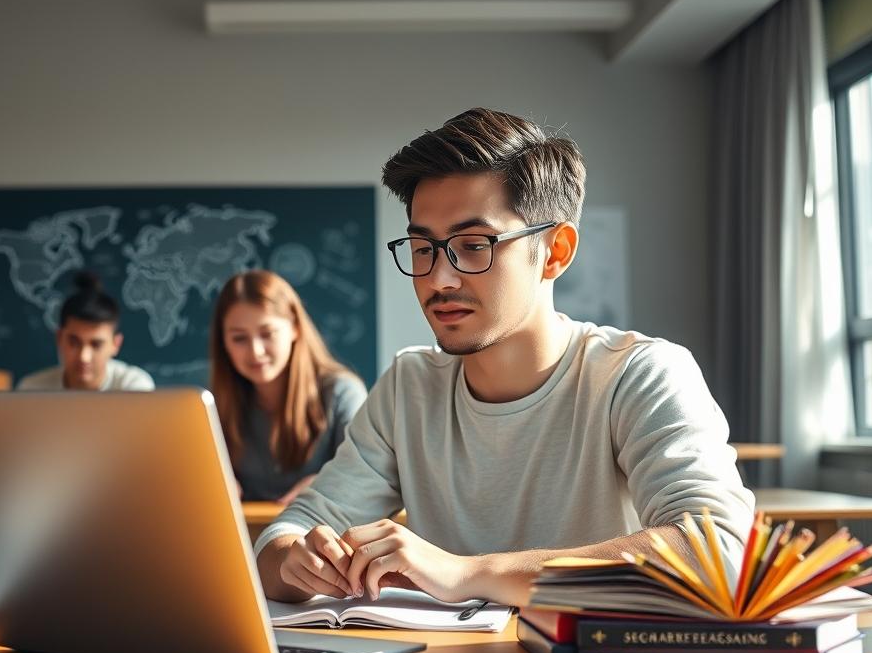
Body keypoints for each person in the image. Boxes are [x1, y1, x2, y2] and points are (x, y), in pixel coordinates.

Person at [255, 108, 754, 607]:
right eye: (422, 247)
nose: (438, 279)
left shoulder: (638, 374)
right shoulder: (409, 387)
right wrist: (297, 560)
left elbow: (719, 553)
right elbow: (281, 542)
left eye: (474, 246)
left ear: (555, 251)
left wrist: (470, 573)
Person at [210, 270, 367, 504]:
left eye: (268, 334)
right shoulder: (214, 402)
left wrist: (331, 481)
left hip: (322, 532)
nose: (255, 351)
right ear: (223, 342)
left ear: (295, 327)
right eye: (239, 338)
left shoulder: (342, 392)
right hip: (246, 537)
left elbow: (367, 474)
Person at [17, 272, 155, 392]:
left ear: (116, 344)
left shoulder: (134, 386)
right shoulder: (31, 389)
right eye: (73, 342)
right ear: (59, 338)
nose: (84, 357)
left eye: (96, 344)